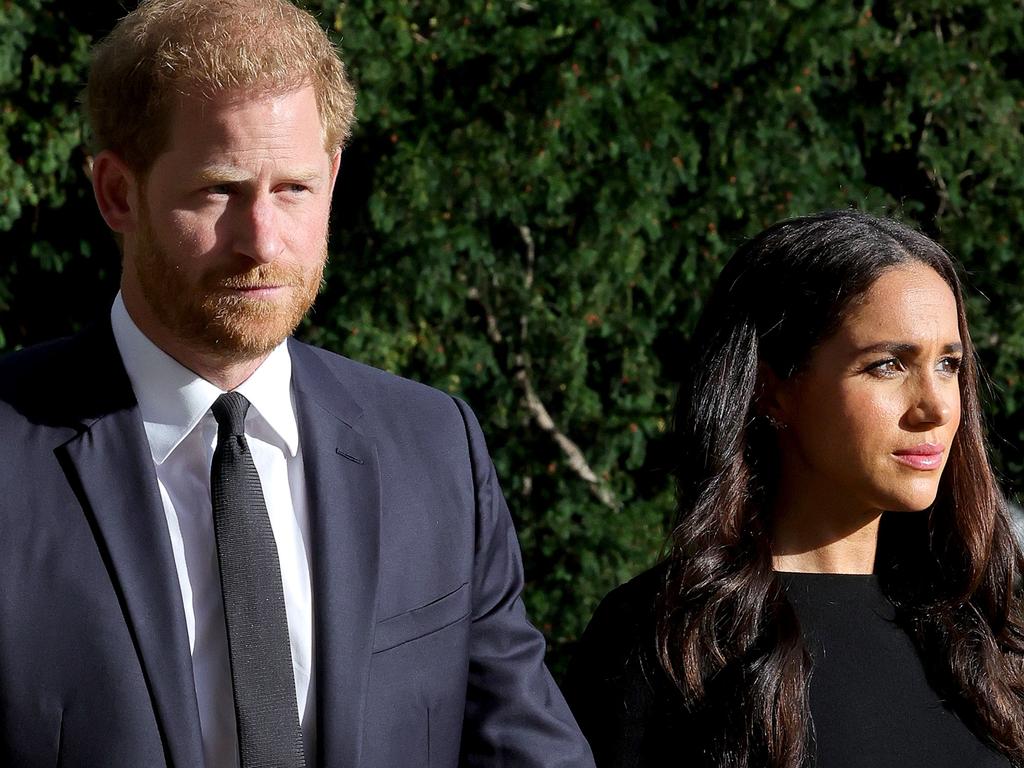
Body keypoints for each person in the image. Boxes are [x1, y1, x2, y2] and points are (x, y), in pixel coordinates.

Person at [0, 1, 595, 766]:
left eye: (294, 190)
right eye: (218, 191)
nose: (262, 243)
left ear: (335, 176)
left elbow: (524, 747)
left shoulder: (433, 447)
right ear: (117, 192)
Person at [564, 210, 1024, 767]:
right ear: (773, 390)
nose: (937, 407)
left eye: (948, 364)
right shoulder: (668, 641)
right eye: (887, 365)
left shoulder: (984, 627)